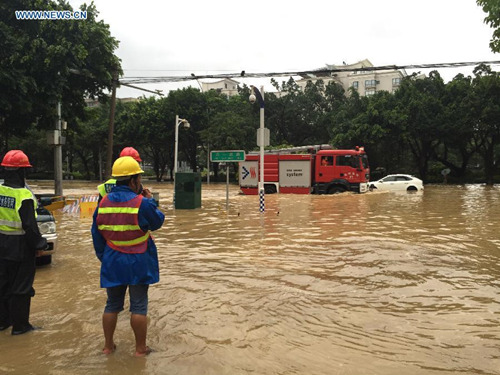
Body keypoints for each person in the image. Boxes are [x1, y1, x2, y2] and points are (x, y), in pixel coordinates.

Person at [91, 156, 165, 356]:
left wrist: (104, 257)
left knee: (112, 305)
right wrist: (151, 201)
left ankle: (108, 346)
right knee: (139, 306)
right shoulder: (142, 202)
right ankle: (140, 349)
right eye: (138, 178)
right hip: (138, 260)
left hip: (113, 260)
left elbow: (96, 233)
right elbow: (158, 222)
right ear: (133, 181)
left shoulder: (103, 203)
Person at [0, 150, 47, 335]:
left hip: (1, 244)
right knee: (22, 287)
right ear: (22, 172)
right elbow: (30, 226)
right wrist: (40, 244)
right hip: (20, 247)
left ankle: (3, 321)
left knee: (3, 283)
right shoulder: (24, 196)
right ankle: (21, 327)